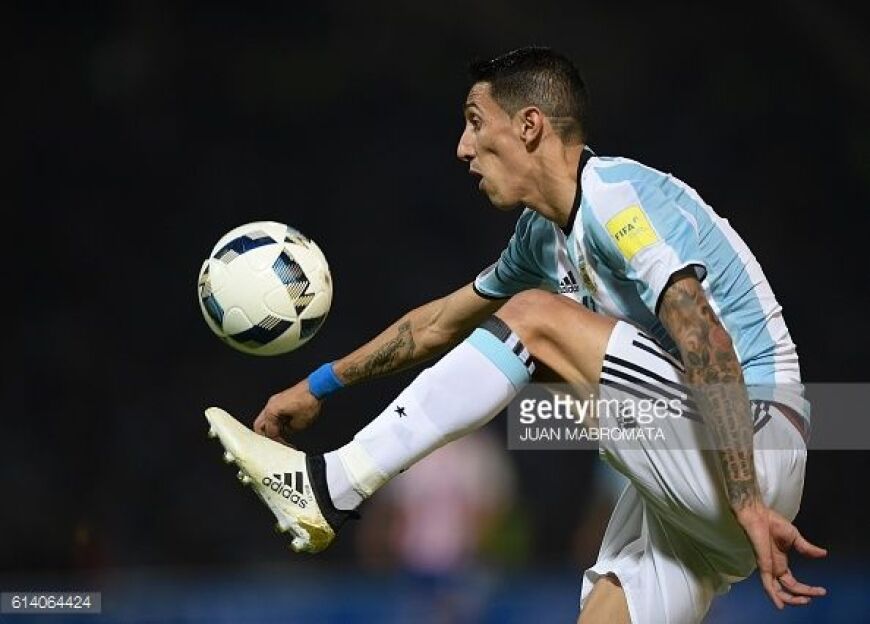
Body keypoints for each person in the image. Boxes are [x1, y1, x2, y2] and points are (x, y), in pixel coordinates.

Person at [204, 46, 827, 623]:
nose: (462, 148)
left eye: (475, 122)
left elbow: (705, 337)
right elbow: (437, 325)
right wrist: (318, 385)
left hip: (750, 440)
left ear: (529, 126)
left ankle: (333, 485)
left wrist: (747, 499)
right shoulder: (540, 239)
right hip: (692, 494)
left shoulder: (617, 198)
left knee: (535, 320)